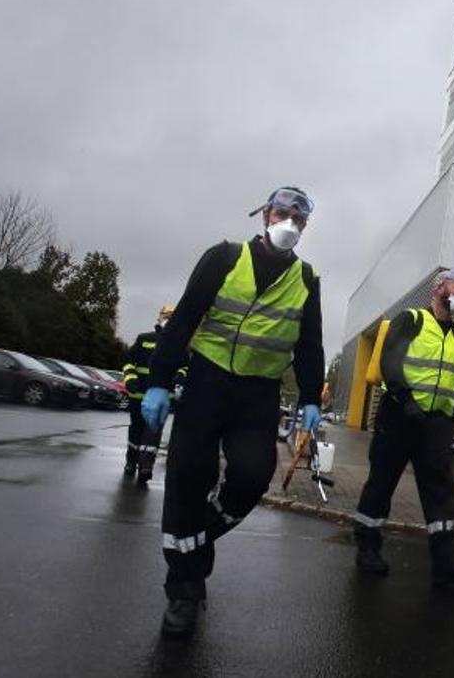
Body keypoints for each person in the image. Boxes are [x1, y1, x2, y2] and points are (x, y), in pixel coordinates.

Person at [142, 186, 324, 637]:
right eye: (282, 214)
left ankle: (199, 536)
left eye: (298, 220)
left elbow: (309, 344)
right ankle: (184, 591)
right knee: (188, 476)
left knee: (251, 474)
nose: (289, 225)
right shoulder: (223, 258)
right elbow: (184, 319)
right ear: (265, 215)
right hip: (207, 382)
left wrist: (310, 399)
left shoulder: (307, 280)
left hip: (257, 395)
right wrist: (159, 382)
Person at [353, 269, 454, 587]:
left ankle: (445, 565)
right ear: (438, 287)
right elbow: (390, 361)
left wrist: (452, 423)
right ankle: (368, 549)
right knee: (381, 485)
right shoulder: (411, 320)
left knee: (441, 493)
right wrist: (405, 398)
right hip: (398, 417)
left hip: (435, 427)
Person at [121, 305, 179, 483]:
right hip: (138, 396)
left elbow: (184, 366)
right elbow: (129, 362)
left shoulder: (179, 344)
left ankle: (146, 467)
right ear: (160, 318)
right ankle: (131, 462)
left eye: (172, 316)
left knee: (153, 434)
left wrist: (180, 379)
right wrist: (130, 379)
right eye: (166, 316)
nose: (168, 320)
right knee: (136, 432)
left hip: (163, 400)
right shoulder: (144, 339)